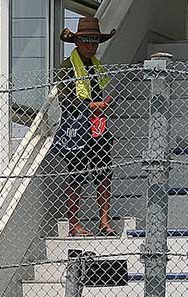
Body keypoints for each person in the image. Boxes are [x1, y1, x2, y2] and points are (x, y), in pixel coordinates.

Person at [54, 15, 117, 237]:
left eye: (95, 41)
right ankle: (74, 224)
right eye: (87, 41)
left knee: (104, 172)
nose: (92, 46)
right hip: (76, 128)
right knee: (76, 175)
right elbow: (65, 99)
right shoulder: (67, 67)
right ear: (77, 42)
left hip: (98, 127)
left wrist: (101, 106)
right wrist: (91, 106)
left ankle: (104, 221)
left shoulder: (96, 67)